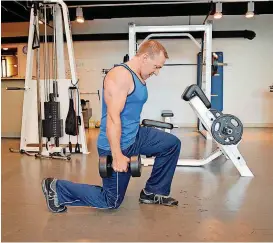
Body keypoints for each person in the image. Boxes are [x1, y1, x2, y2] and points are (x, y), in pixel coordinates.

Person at [41, 40, 181, 213]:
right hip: (116, 143)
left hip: (135, 135)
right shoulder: (120, 76)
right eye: (156, 67)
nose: (157, 72)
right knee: (110, 201)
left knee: (171, 144)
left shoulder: (139, 75)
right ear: (145, 57)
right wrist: (117, 156)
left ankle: (153, 191)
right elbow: (113, 118)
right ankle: (57, 188)